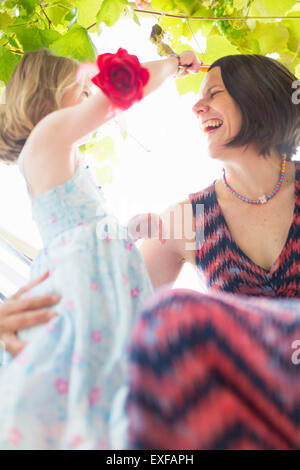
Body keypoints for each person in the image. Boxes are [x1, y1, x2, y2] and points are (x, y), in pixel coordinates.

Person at [0, 47, 201, 450]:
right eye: (83, 83)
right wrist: (175, 64)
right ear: (52, 91)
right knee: (86, 382)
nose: (92, 91)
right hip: (81, 294)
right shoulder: (47, 138)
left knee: (102, 388)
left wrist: (128, 232)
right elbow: (120, 90)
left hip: (93, 288)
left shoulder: (59, 153)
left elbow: (88, 233)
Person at [125, 54, 300, 449]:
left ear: (258, 99)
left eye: (214, 94)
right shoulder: (188, 219)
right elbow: (117, 308)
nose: (197, 106)